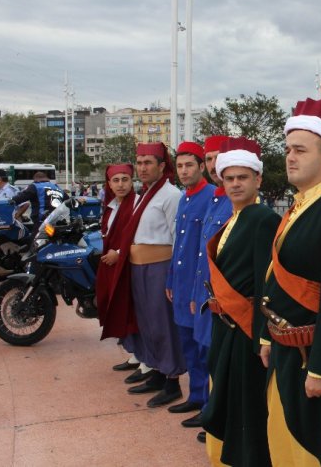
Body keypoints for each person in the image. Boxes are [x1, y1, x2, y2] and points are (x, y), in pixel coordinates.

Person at [260, 98, 321, 466]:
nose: (290, 157)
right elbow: (276, 277)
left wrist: (320, 367)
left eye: (300, 150)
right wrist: (268, 335)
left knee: (304, 450)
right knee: (280, 442)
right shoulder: (301, 203)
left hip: (307, 359)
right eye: (288, 149)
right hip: (283, 349)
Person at [200, 138, 280, 467]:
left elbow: (267, 281)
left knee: (247, 407)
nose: (235, 184)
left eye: (242, 177)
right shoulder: (234, 218)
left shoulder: (261, 218)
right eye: (229, 178)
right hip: (225, 326)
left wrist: (262, 336)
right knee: (229, 400)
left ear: (257, 180)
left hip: (246, 329)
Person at [124, 142, 188, 408]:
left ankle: (172, 381)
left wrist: (173, 275)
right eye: (139, 163)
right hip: (139, 266)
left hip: (160, 266)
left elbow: (176, 238)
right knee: (147, 322)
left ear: (162, 167)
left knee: (163, 323)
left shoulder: (170, 195)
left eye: (148, 162)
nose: (142, 168)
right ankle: (156, 372)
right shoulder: (143, 195)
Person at [164, 141, 215, 426]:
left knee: (203, 345)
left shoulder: (210, 196)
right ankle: (196, 395)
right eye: (180, 166)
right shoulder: (184, 197)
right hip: (181, 282)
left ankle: (208, 405)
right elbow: (179, 242)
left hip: (199, 283)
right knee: (188, 343)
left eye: (189, 165)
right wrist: (171, 276)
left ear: (201, 167)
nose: (184, 171)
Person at [190, 135, 234, 446]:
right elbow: (200, 254)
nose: (213, 165)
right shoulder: (216, 199)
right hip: (206, 296)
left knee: (222, 362)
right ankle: (211, 411)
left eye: (218, 158)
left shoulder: (235, 200)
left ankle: (221, 417)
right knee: (208, 356)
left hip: (225, 299)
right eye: (208, 159)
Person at [95, 164, 146, 375]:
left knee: (135, 312)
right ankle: (134, 353)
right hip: (113, 266)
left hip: (130, 265)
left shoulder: (136, 203)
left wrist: (118, 251)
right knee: (120, 308)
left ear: (132, 181)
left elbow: (138, 234)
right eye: (116, 180)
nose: (121, 184)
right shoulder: (111, 205)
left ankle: (146, 358)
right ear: (109, 184)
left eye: (125, 179)